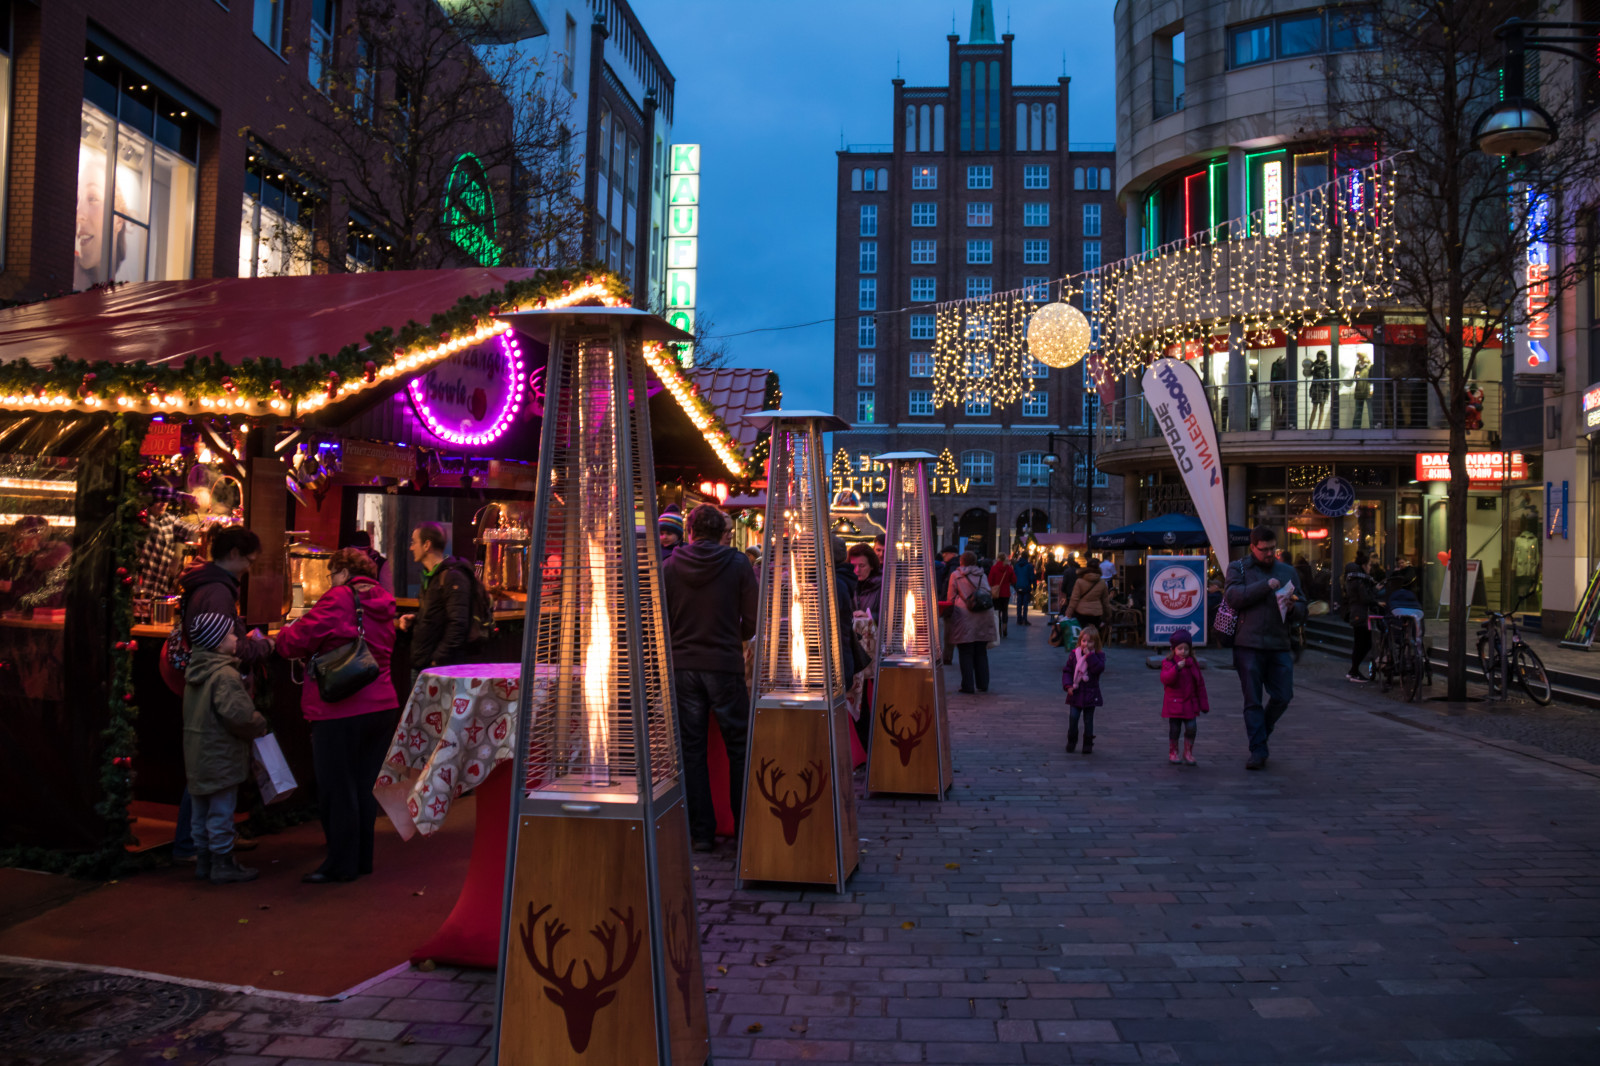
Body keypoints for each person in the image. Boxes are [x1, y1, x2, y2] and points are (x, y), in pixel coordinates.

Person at [273, 548, 400, 883]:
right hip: (382, 704)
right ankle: (361, 859)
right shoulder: (384, 600)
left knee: (337, 787)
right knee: (363, 785)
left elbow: (296, 640)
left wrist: (280, 635)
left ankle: (340, 864)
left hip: (341, 707)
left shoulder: (340, 598)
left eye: (332, 575)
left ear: (343, 573)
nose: (331, 581)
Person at [661, 505, 757, 852]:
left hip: (683, 666)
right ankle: (745, 827)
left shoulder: (669, 567)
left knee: (691, 749)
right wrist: (733, 635)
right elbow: (753, 619)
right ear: (722, 534)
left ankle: (701, 832)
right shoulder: (739, 564)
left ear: (689, 532)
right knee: (739, 747)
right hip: (724, 665)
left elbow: (658, 619)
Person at [181, 613, 270, 884]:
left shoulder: (195, 672)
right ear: (219, 643)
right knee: (221, 810)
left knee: (200, 811)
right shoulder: (225, 675)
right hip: (221, 754)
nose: (235, 639)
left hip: (197, 753)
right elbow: (239, 716)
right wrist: (259, 722)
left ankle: (204, 860)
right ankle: (222, 861)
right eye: (231, 634)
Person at [1224, 527, 1306, 770]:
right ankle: (1258, 750)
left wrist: (1294, 608)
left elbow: (1303, 606)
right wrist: (1265, 586)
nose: (1270, 553)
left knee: (1283, 696)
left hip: (1279, 644)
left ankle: (1262, 731)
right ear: (1253, 547)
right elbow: (1233, 597)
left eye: (1273, 548)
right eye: (1264, 550)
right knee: (1253, 700)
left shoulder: (1287, 571)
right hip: (1247, 644)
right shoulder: (1238, 568)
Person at [397, 522, 486, 687]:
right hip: (424, 664)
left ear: (427, 545)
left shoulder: (452, 576)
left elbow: (458, 624)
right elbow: (439, 615)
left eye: (414, 542)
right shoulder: (432, 576)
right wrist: (415, 619)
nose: (411, 547)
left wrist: (436, 661)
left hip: (439, 669)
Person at [947, 551, 997, 694]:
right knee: (981, 651)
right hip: (983, 615)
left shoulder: (956, 575)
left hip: (964, 616)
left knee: (965, 651)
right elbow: (987, 592)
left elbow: (951, 597)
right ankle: (983, 683)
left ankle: (968, 685)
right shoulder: (982, 575)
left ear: (961, 561)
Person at [1160, 628, 1209, 766]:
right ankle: (1173, 751)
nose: (1183, 651)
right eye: (1180, 648)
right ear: (1173, 649)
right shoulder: (1168, 663)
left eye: (1186, 649)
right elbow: (1166, 679)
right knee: (1175, 729)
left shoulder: (1193, 664)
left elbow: (1200, 684)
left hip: (1190, 704)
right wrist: (1176, 669)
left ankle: (1188, 752)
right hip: (1175, 703)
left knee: (1191, 728)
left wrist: (1203, 704)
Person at [1062, 624, 1105, 754]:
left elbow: (1098, 669)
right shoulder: (1074, 654)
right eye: (1084, 641)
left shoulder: (1098, 655)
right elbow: (1068, 671)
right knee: (1073, 718)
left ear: (1096, 643)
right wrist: (1068, 685)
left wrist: (1089, 656)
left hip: (1090, 693)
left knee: (1088, 720)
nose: (1086, 644)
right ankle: (1072, 740)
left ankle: (1088, 742)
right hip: (1076, 692)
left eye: (1090, 641)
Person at [1342, 551, 1379, 683]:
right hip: (1360, 615)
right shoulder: (1359, 580)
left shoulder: (1354, 579)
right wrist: (1376, 601)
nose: (1370, 568)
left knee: (1360, 643)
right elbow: (1364, 598)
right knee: (1363, 643)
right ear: (1363, 566)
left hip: (1358, 614)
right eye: (1369, 565)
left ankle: (1353, 671)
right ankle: (1354, 671)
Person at [1066, 563, 1112, 630]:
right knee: (1094, 632)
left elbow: (1074, 599)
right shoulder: (1102, 583)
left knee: (1082, 632)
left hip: (1081, 612)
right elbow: (1105, 601)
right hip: (1096, 612)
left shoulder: (1079, 581)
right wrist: (1108, 615)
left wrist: (1069, 613)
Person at [847, 542, 883, 620]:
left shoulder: (883, 586)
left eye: (862, 566)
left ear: (871, 566)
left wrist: (869, 617)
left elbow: (891, 615)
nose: (857, 570)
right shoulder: (847, 585)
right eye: (853, 566)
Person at [988, 554, 1016, 639]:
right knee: (1005, 611)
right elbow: (1014, 580)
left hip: (996, 593)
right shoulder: (1009, 568)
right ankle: (1005, 627)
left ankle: (998, 629)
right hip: (1006, 593)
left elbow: (990, 581)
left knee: (997, 611)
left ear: (998, 559)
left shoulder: (994, 568)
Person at [1012, 550, 1035, 626]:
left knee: (1019, 603)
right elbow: (1032, 577)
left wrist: (1015, 585)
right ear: (1027, 557)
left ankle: (1019, 618)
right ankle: (1025, 619)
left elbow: (1014, 576)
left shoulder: (1017, 565)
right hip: (1026, 586)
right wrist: (1034, 586)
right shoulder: (1029, 566)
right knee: (1025, 604)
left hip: (1018, 585)